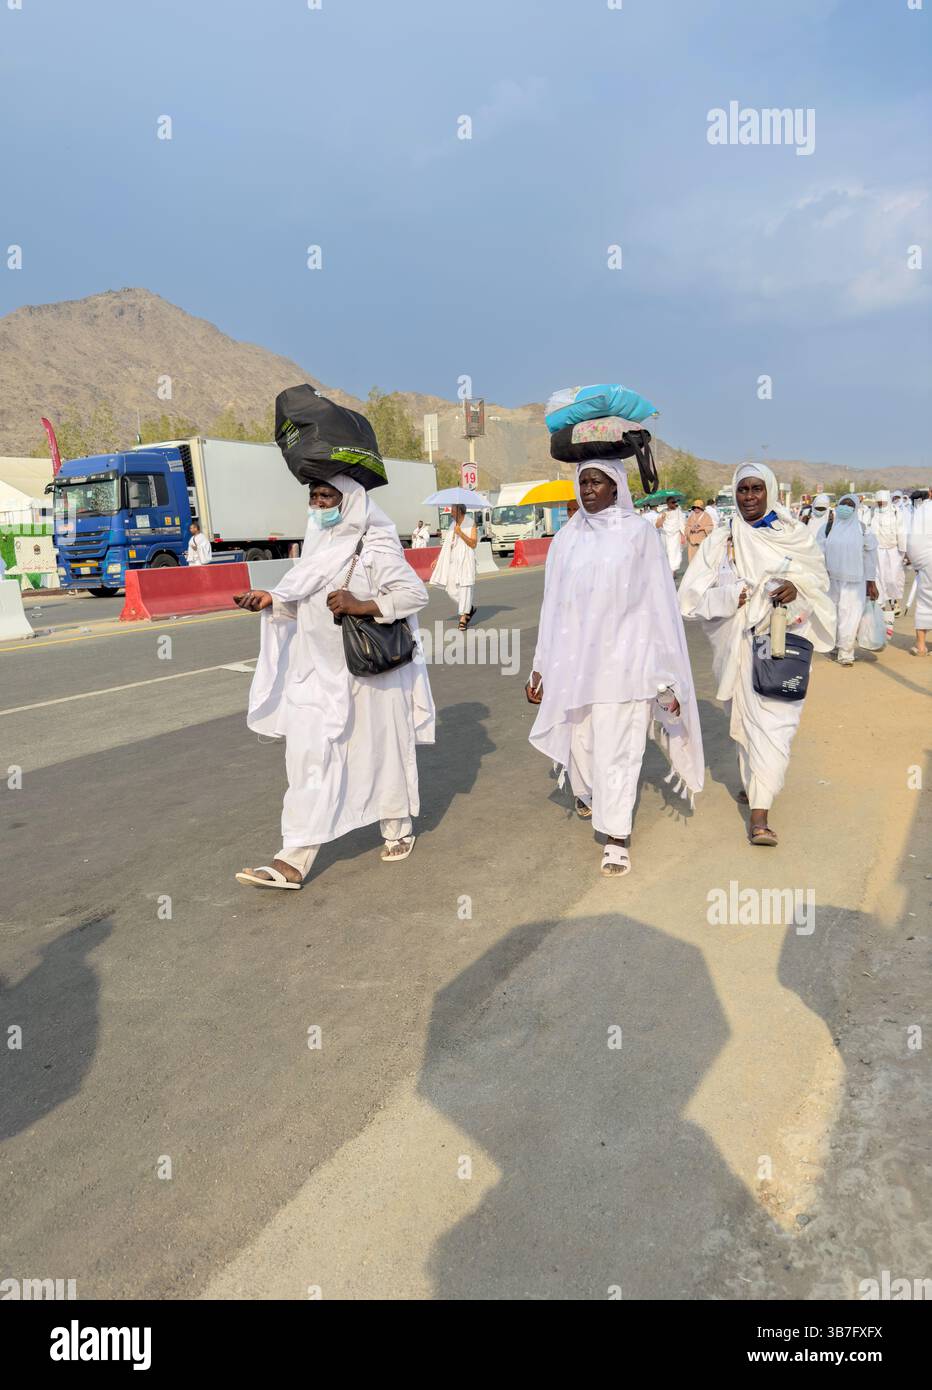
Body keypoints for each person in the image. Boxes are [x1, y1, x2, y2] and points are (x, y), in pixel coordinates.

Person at [233, 475, 435, 889]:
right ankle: (294, 858)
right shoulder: (316, 550)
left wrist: (361, 605)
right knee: (310, 760)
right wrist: (271, 600)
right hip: (316, 676)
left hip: (369, 677)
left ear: (350, 503)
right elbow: (302, 604)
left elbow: (414, 594)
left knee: (382, 752)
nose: (319, 503)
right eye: (314, 495)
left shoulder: (375, 545)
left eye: (327, 496)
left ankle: (396, 827)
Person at [525, 462, 704, 878]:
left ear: (615, 486)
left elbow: (658, 604)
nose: (588, 488)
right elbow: (551, 608)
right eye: (583, 481)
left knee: (619, 752)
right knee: (581, 745)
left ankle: (616, 836)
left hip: (627, 663)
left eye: (596, 481)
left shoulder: (639, 534)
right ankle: (589, 794)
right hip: (575, 664)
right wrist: (540, 668)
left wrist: (665, 674)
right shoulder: (567, 538)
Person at [679, 463, 835, 847]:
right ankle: (757, 797)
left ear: (770, 492)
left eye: (756, 489)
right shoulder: (722, 539)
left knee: (777, 727)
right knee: (749, 722)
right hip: (742, 644)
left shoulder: (795, 535)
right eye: (743, 489)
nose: (749, 496)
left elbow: (819, 582)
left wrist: (796, 587)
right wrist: (734, 597)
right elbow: (689, 599)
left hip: (786, 645)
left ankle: (759, 812)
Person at [817, 493, 878, 666]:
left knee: (849, 616)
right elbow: (818, 552)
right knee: (833, 615)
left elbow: (870, 557)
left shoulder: (863, 529)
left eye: (850, 504)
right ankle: (835, 646)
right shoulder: (827, 528)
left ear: (856, 508)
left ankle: (846, 653)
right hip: (831, 580)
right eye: (843, 503)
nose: (846, 507)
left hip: (855, 581)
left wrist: (871, 581)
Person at [430, 504, 478, 630]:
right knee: (451, 589)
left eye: (453, 510)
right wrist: (437, 559)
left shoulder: (471, 523)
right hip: (453, 562)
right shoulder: (452, 525)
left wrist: (460, 533)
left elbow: (473, 544)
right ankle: (469, 608)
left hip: (466, 561)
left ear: (460, 511)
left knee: (465, 588)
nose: (451, 512)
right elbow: (447, 545)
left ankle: (463, 617)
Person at [902, 489, 932, 656]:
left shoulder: (921, 511)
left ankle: (921, 646)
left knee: (925, 599)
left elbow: (913, 541)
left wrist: (918, 563)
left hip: (925, 562)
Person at [870, 491, 905, 618]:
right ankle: (882, 605)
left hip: (893, 550)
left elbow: (901, 532)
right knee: (879, 577)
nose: (881, 505)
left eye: (883, 503)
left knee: (892, 578)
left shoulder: (896, 513)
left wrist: (903, 551)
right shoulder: (873, 513)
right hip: (878, 549)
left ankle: (894, 601)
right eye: (878, 503)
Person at [655, 496, 686, 575]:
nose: (674, 504)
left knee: (674, 554)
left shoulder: (679, 512)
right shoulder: (663, 512)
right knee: (666, 554)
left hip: (675, 536)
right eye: (672, 502)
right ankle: (668, 572)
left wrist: (683, 536)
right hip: (665, 536)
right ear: (667, 503)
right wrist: (662, 518)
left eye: (674, 502)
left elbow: (682, 524)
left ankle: (673, 572)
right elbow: (657, 525)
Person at [685, 499, 714, 563]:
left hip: (702, 542)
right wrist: (690, 529)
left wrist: (702, 528)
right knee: (692, 561)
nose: (696, 509)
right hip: (692, 543)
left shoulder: (706, 516)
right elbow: (686, 527)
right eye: (694, 507)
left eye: (697, 507)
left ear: (701, 507)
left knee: (702, 561)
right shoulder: (691, 516)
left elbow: (711, 527)